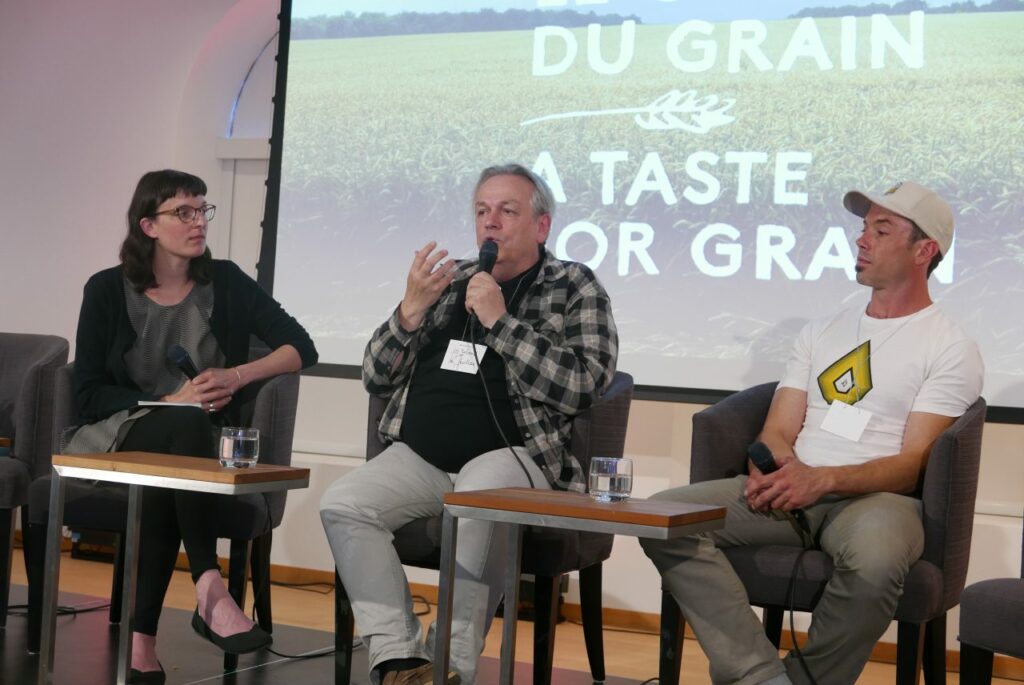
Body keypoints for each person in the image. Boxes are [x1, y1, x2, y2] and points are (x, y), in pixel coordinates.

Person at [640, 181, 984, 685]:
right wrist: (774, 467)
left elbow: (913, 462)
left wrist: (821, 480)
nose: (862, 241)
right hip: (795, 486)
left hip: (879, 498)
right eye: (864, 229)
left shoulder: (950, 346)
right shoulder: (822, 330)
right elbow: (778, 426)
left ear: (923, 251)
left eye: (881, 230)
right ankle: (758, 676)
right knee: (662, 517)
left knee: (876, 561)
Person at [319, 163, 618, 685]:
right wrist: (408, 313)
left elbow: (583, 385)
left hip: (517, 451)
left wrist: (501, 323)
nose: (491, 223)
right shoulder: (448, 280)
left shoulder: (573, 284)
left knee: (475, 503)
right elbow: (374, 376)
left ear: (541, 226)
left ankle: (448, 670)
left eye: (508, 210)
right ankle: (400, 660)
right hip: (420, 454)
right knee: (342, 504)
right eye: (482, 211)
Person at [65, 169, 318, 683]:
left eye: (203, 209)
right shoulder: (106, 290)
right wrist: (166, 398)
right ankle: (208, 583)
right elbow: (87, 392)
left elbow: (301, 347)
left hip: (191, 444)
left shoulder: (224, 281)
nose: (198, 221)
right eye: (183, 211)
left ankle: (142, 650)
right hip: (117, 432)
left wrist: (238, 373)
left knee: (170, 468)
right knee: (181, 429)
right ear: (148, 225)